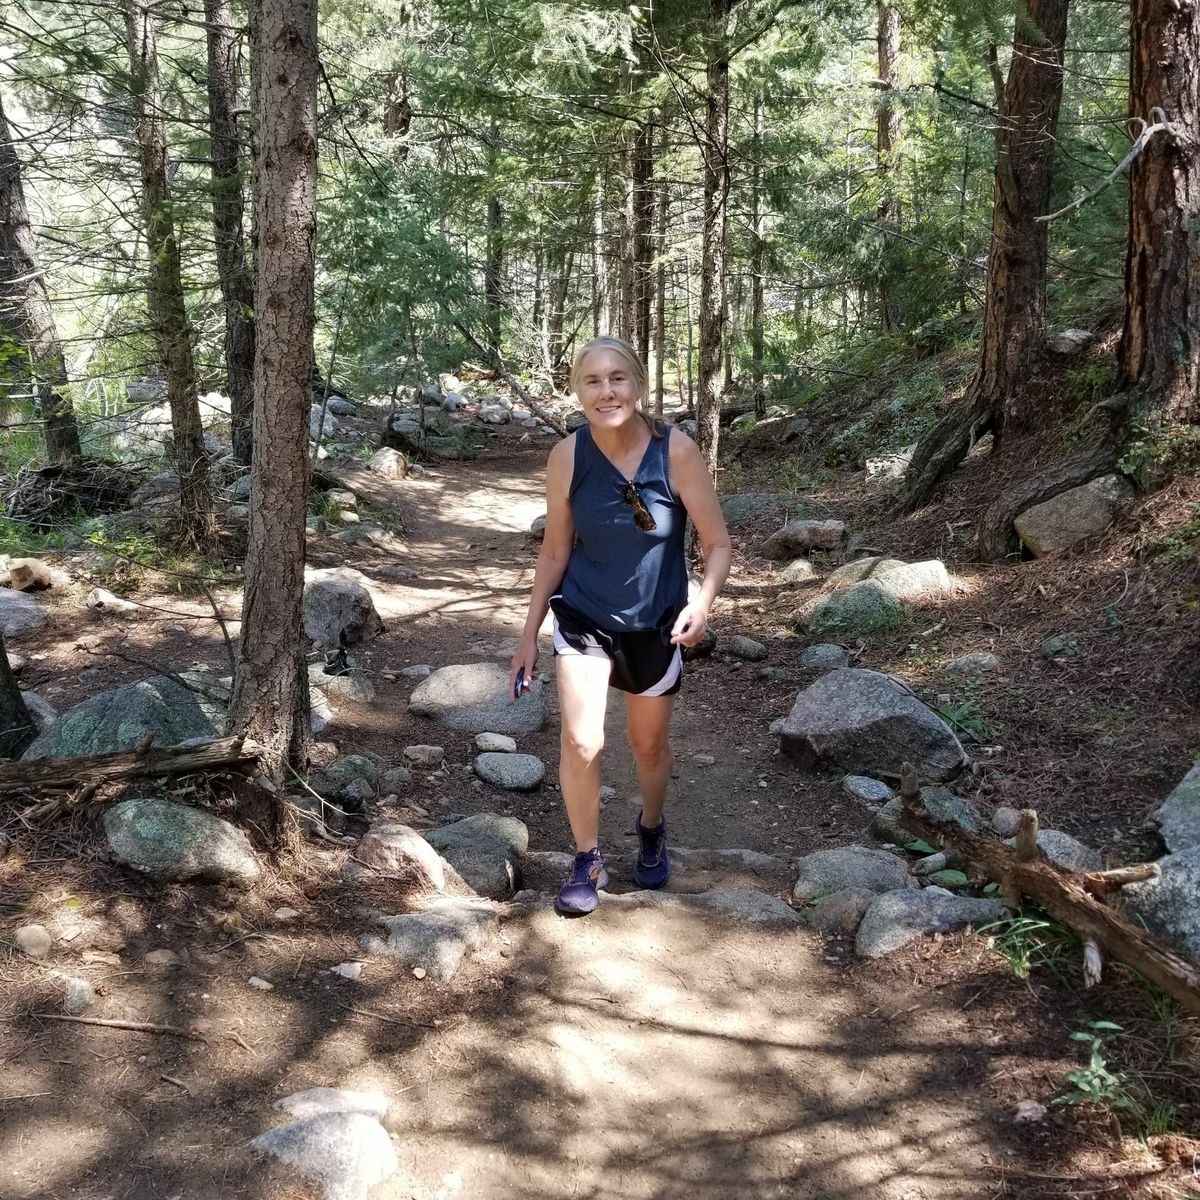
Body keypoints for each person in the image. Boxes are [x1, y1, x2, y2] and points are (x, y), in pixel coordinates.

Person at [510, 335, 731, 916]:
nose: (606, 391)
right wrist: (529, 635)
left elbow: (717, 544)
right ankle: (586, 858)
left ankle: (651, 827)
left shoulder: (675, 451)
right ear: (577, 391)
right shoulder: (567, 457)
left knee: (648, 745)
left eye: (617, 378)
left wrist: (702, 603)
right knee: (582, 740)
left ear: (638, 385)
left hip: (656, 625)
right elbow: (555, 552)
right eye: (593, 381)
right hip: (584, 615)